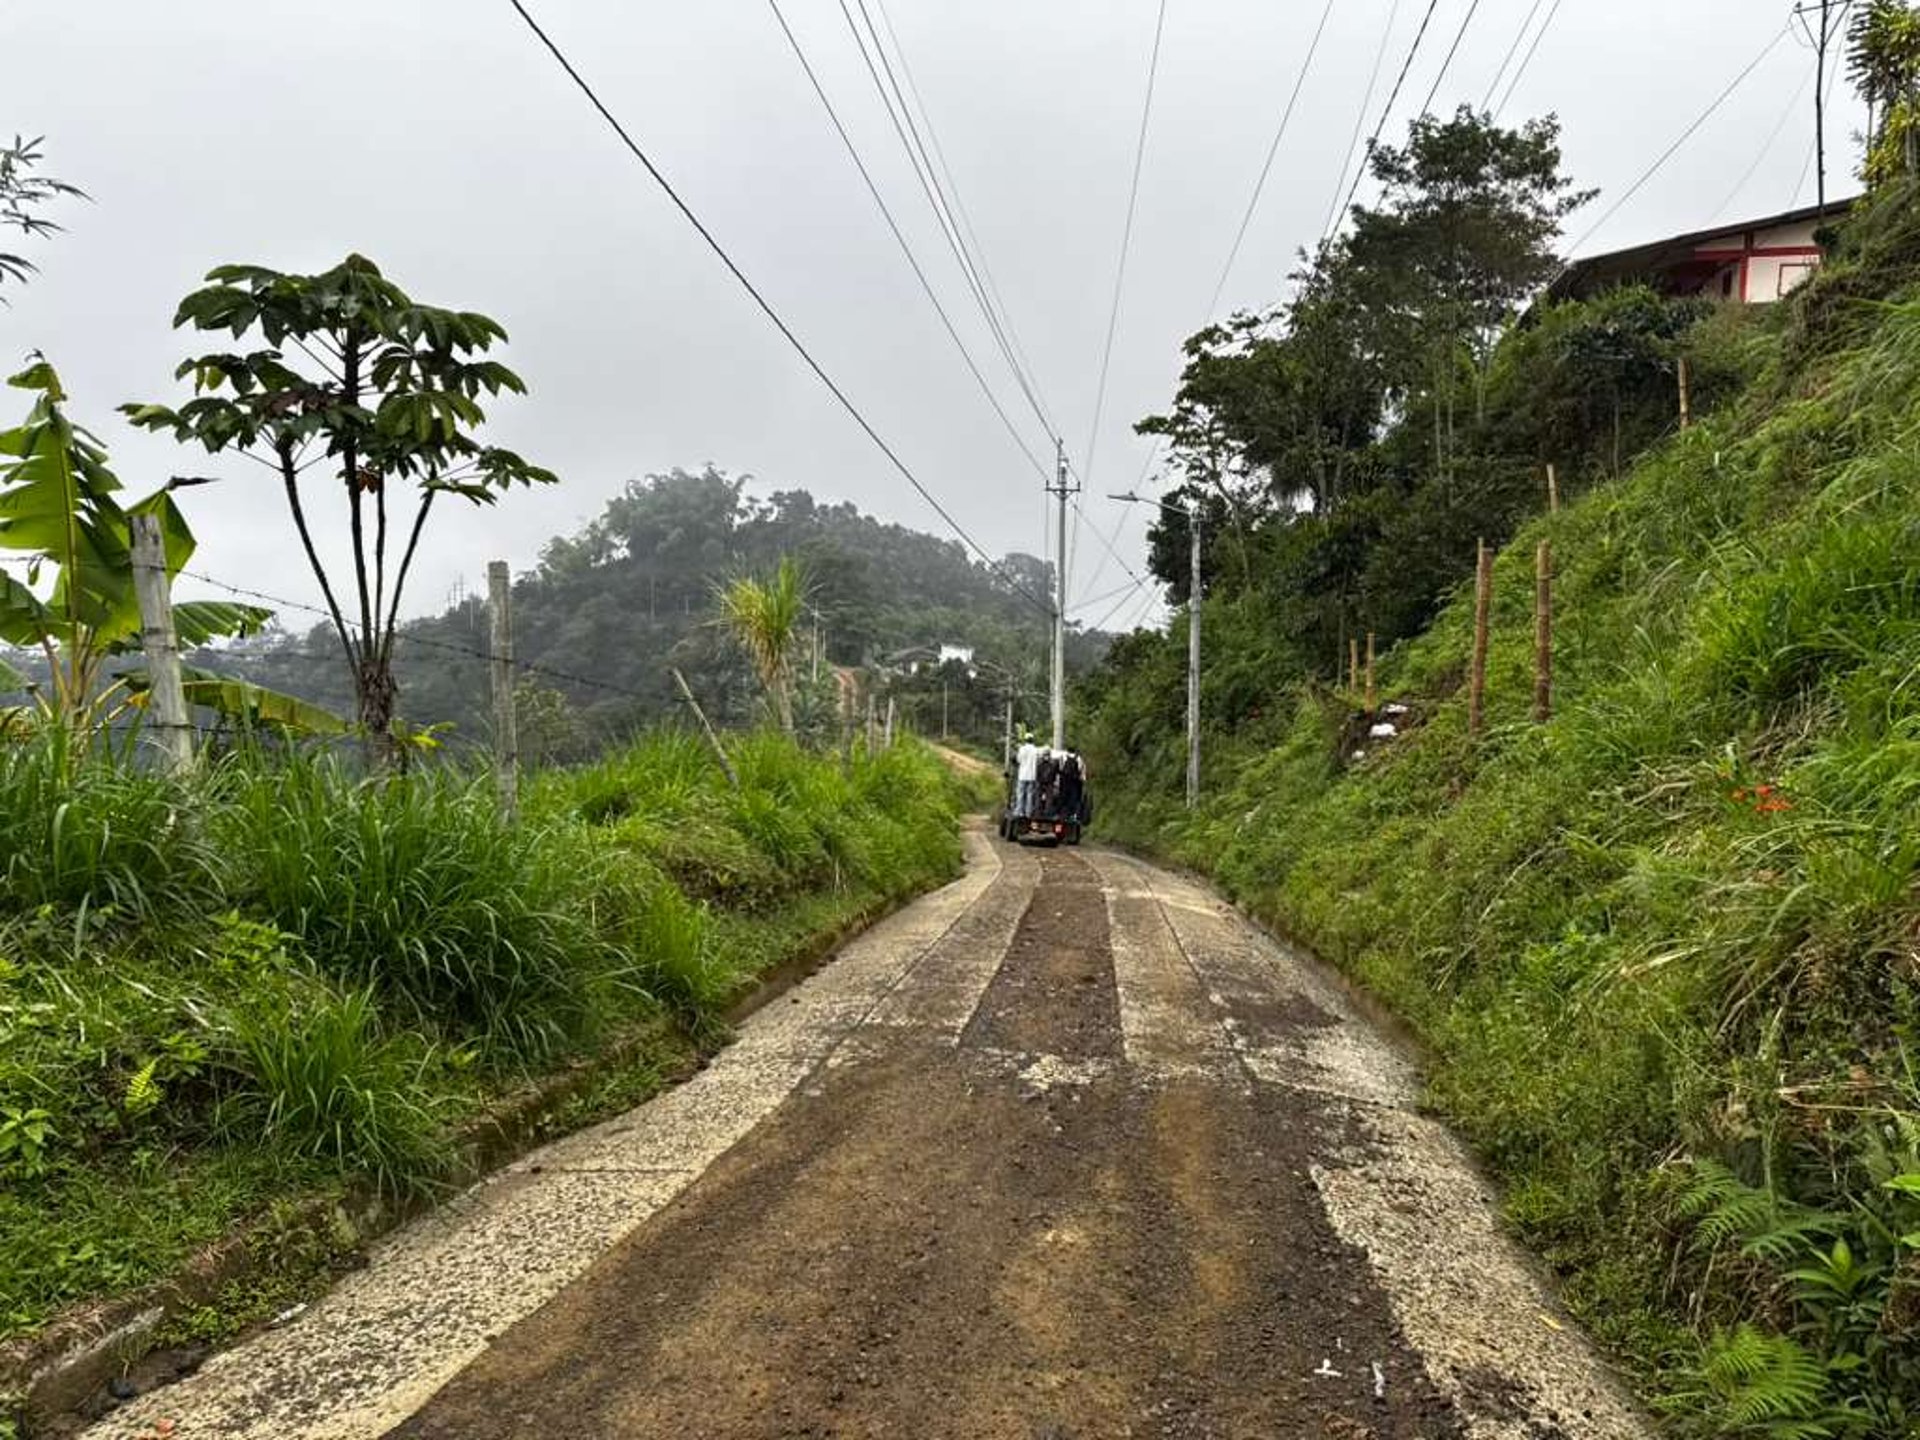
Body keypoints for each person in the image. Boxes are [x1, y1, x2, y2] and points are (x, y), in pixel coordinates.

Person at [1013, 730, 1040, 819]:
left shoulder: (1022, 749)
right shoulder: (1036, 750)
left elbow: (1018, 760)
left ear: (1025, 740)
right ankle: (1028, 813)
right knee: (1029, 795)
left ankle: (1019, 812)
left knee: (1020, 794)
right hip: (1032, 775)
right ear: (1032, 740)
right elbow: (1037, 762)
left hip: (1022, 775)